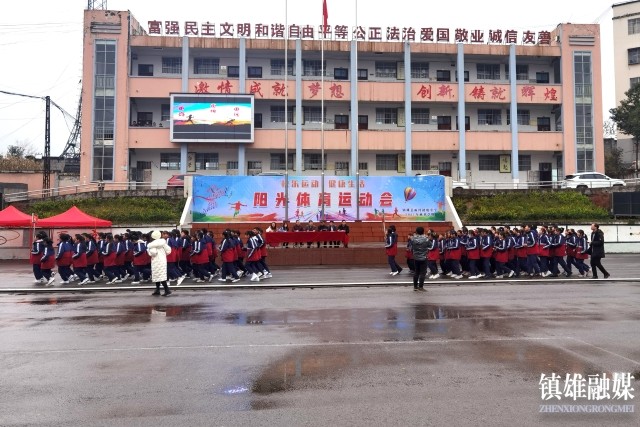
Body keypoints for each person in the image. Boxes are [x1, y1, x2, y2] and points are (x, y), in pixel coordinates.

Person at [147, 230, 172, 296]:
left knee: (157, 275)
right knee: (162, 275)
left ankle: (166, 290)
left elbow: (153, 253)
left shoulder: (152, 245)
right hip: (163, 260)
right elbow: (168, 251)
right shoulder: (163, 242)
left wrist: (149, 252)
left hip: (156, 260)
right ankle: (158, 290)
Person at [409, 227, 429, 291]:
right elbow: (430, 246)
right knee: (422, 273)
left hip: (416, 257)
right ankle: (421, 286)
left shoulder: (413, 239)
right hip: (423, 257)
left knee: (416, 272)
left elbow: (411, 245)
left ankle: (415, 286)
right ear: (423, 232)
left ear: (416, 232)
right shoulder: (426, 239)